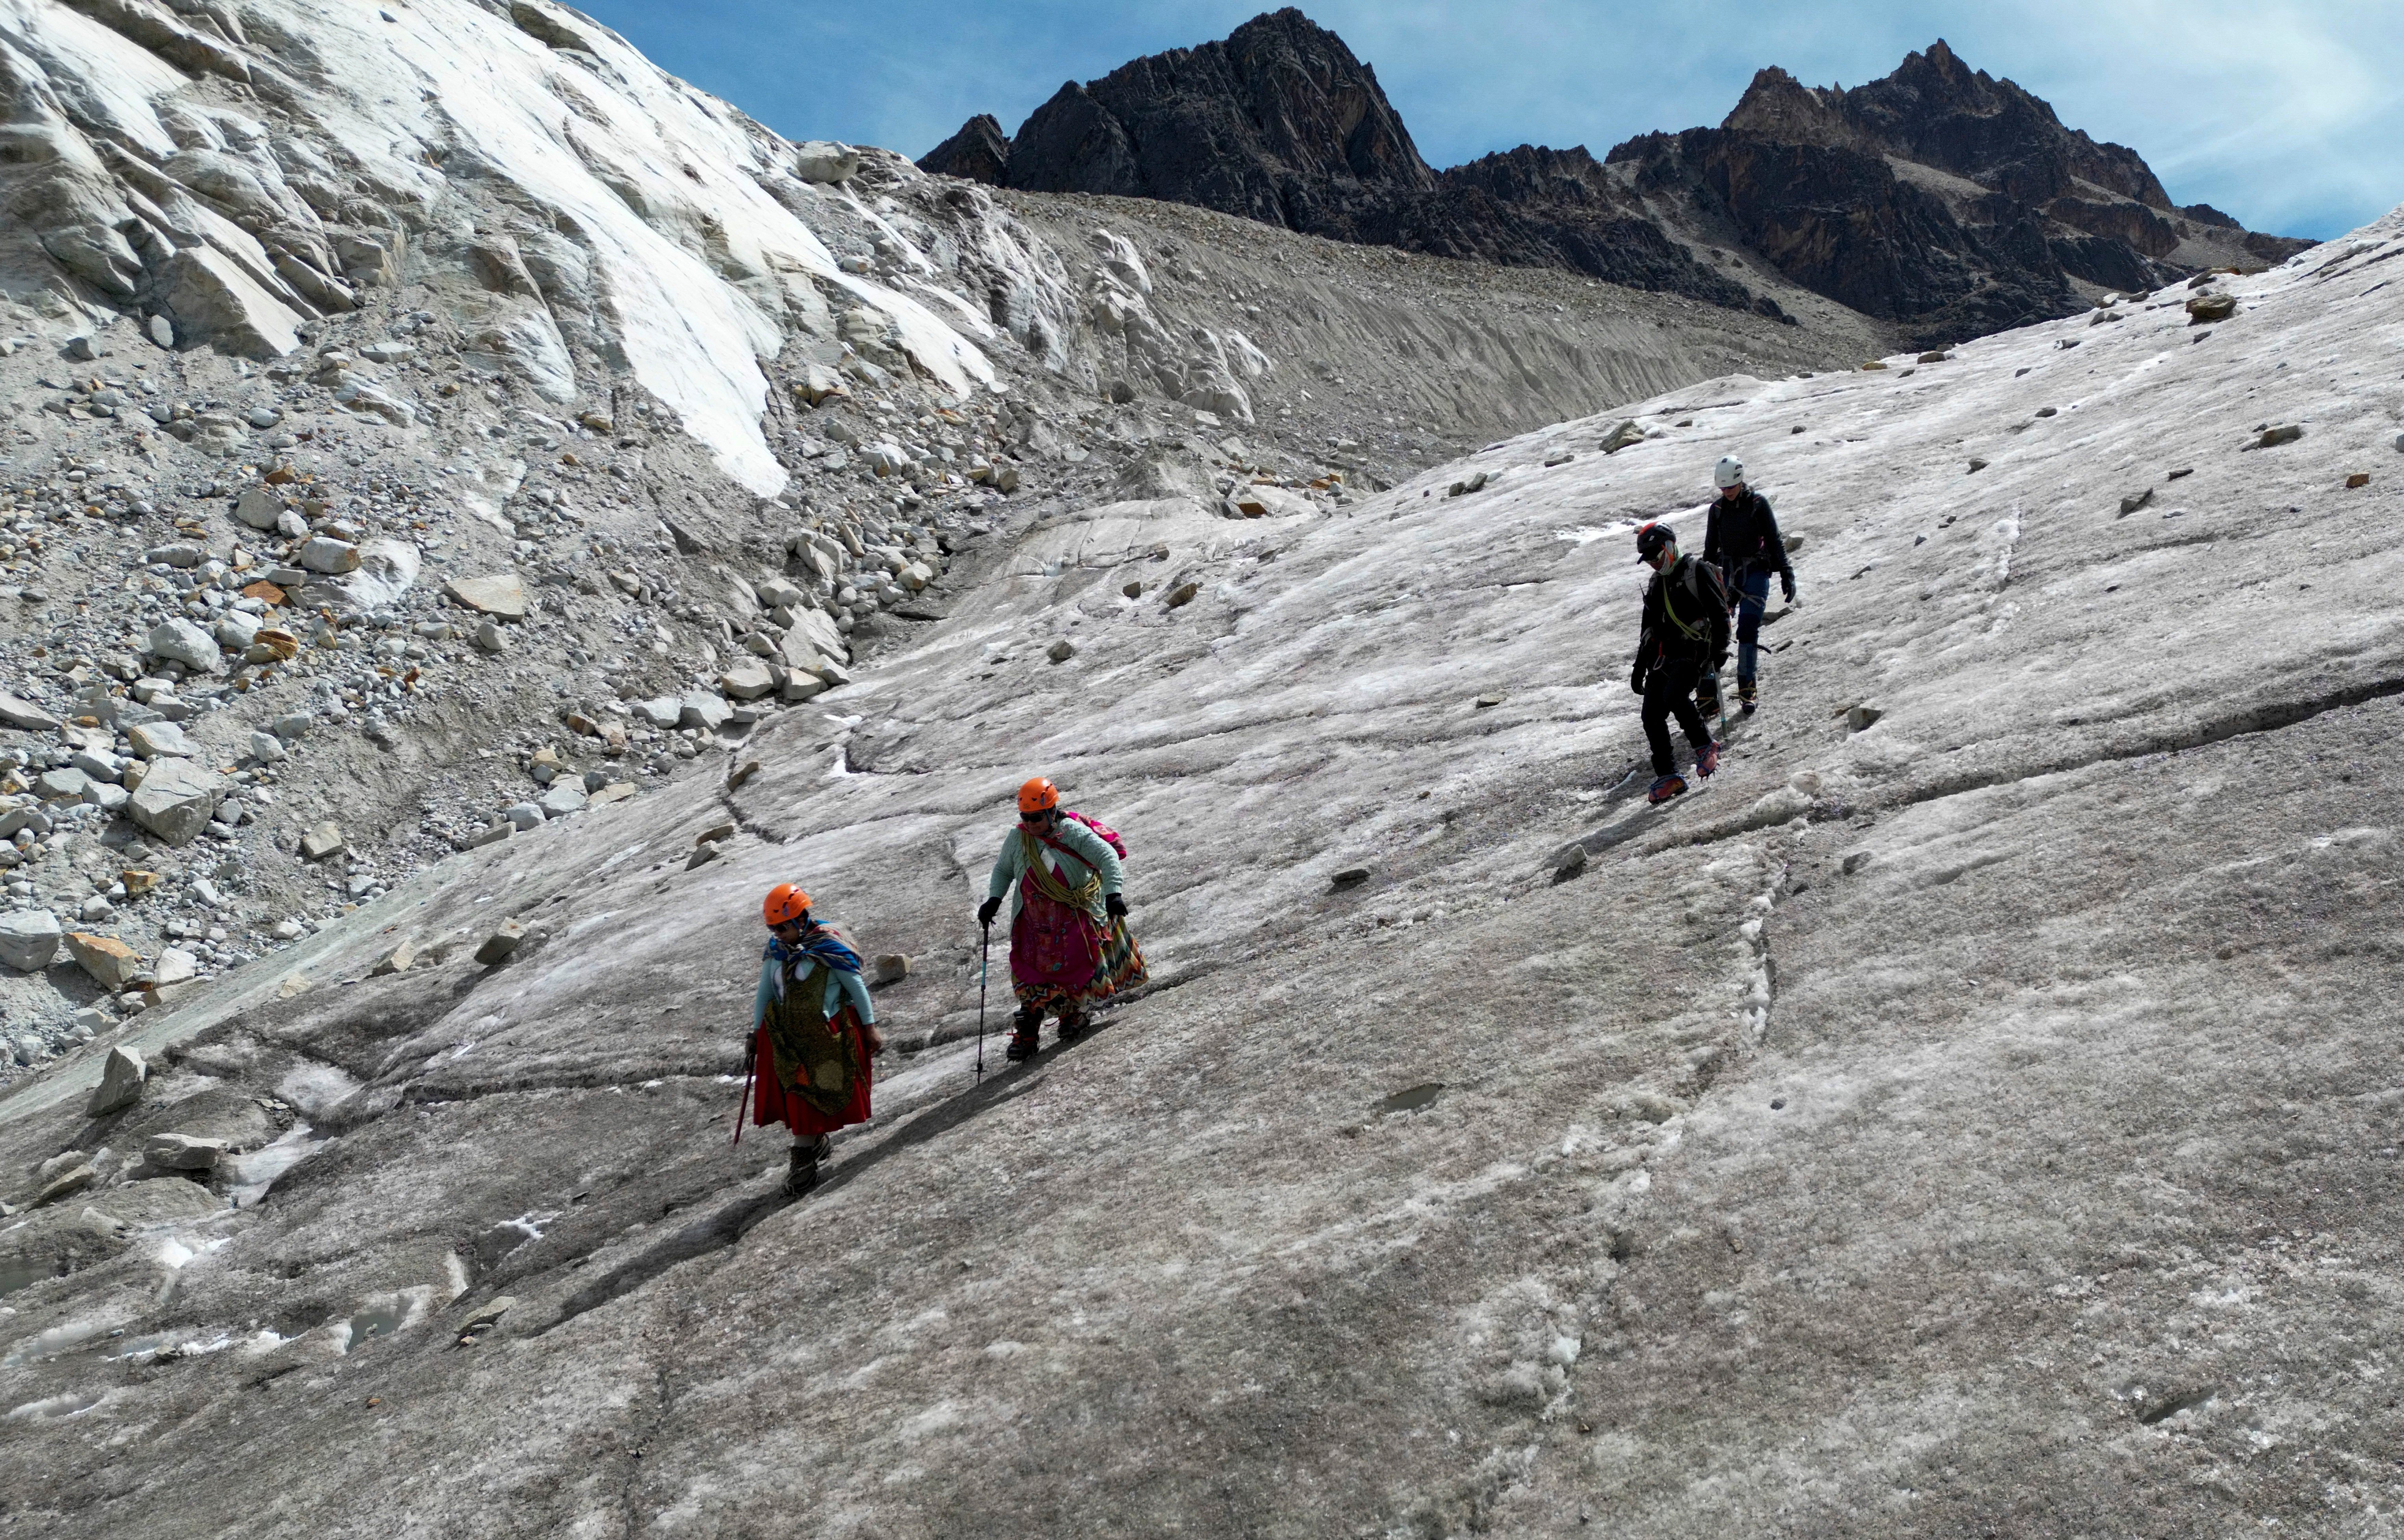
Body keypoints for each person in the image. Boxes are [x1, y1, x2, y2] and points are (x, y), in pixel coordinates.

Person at [976, 777, 1146, 1061]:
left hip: (1072, 919)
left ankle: (1071, 1015)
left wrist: (1113, 894)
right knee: (1032, 971)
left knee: (1071, 968)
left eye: (1036, 818)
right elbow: (1003, 870)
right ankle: (1028, 1032)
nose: (1030, 824)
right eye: (1025, 817)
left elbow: (1107, 857)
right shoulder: (1018, 838)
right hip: (1033, 921)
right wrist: (994, 900)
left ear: (1052, 811)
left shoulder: (1072, 833)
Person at [745, 883, 883, 1196]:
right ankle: (809, 1148)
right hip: (785, 1037)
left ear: (799, 920)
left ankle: (805, 1158)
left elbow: (858, 988)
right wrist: (755, 1032)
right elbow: (765, 993)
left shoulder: (829, 947)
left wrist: (870, 1027)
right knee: (796, 1095)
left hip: (823, 1037)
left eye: (782, 927)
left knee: (812, 1093)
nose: (777, 933)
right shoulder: (776, 951)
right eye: (772, 927)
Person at [1630, 521, 1731, 805]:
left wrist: (1720, 648)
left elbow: (1719, 613)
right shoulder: (1656, 583)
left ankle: (1705, 745)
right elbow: (1647, 629)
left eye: (1656, 555)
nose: (1652, 562)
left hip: (1695, 651)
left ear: (1670, 547)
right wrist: (1639, 667)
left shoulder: (1696, 571)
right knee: (1651, 715)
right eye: (1648, 558)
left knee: (1674, 695)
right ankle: (1669, 776)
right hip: (1664, 657)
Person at [1700, 454, 1797, 714]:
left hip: (1756, 573)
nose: (1726, 493)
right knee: (1714, 631)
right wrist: (1702, 581)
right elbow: (1710, 550)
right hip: (1728, 576)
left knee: (1747, 630)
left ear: (1740, 480)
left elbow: (1774, 539)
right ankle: (1707, 696)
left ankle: (1747, 689)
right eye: (1722, 489)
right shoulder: (1717, 511)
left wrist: (1786, 572)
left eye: (1730, 487)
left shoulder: (1757, 504)